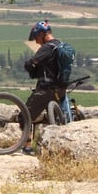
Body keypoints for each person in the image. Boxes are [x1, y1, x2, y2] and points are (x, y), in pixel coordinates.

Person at [22, 20, 65, 154]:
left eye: (36, 38)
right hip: (60, 89)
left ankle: (27, 146)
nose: (36, 41)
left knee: (25, 115)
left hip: (46, 89)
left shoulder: (46, 47)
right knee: (55, 120)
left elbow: (32, 64)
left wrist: (28, 66)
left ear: (42, 34)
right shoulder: (61, 45)